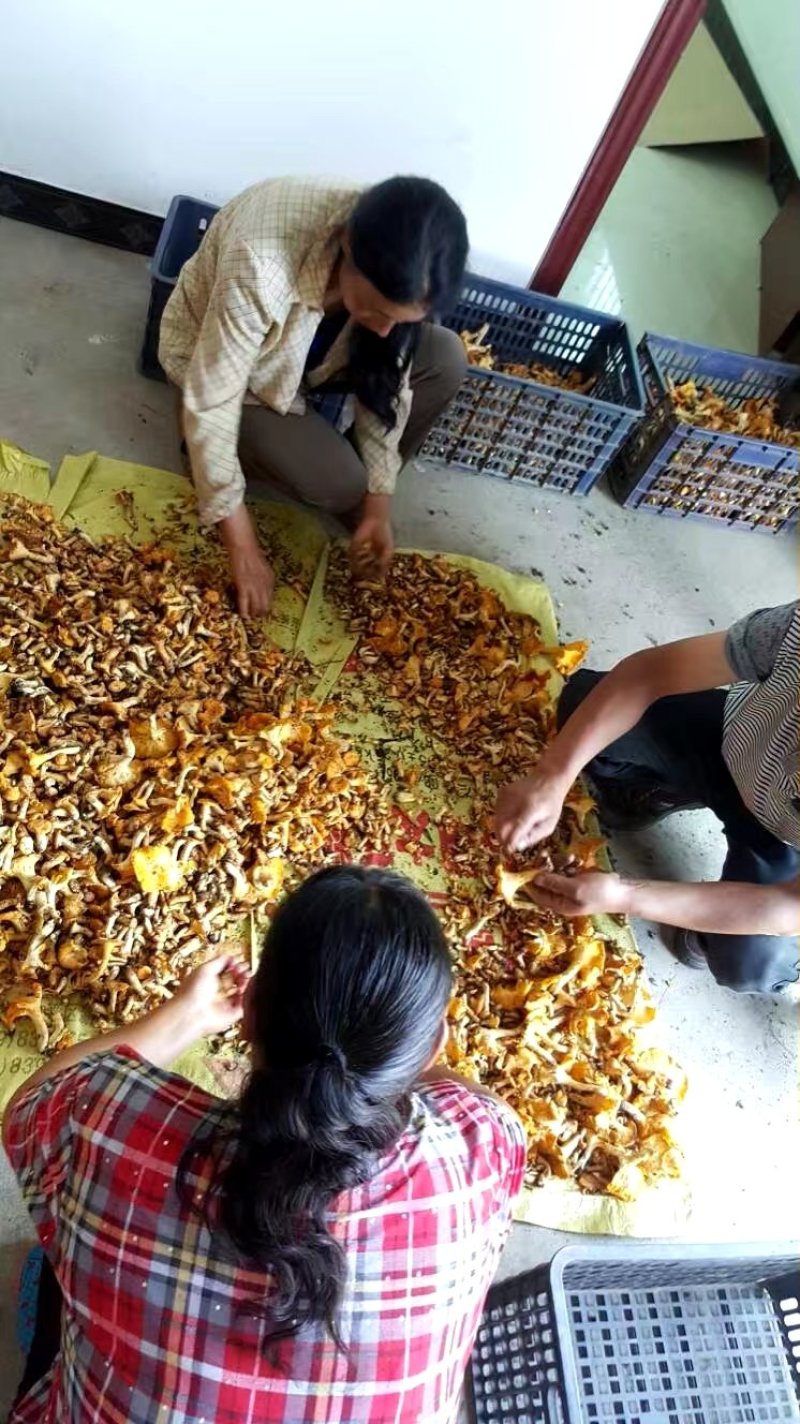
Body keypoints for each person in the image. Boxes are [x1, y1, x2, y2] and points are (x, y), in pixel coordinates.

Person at [3, 866, 525, 1424]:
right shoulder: (483, 1149)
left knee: (69, 1243)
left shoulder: (102, 1125)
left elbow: (36, 1101)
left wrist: (188, 1014)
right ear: (430, 1051)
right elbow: (463, 1095)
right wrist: (380, 1064)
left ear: (249, 1013)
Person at [159, 176, 469, 617]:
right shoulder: (260, 260)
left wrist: (379, 503)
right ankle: (206, 455)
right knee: (339, 483)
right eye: (378, 313)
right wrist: (242, 547)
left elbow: (389, 372)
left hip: (305, 360)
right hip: (229, 372)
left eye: (399, 320)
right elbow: (214, 397)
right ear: (348, 248)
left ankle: (345, 481)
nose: (384, 330)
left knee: (447, 357)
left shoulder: (401, 250)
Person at [495, 603, 800, 996]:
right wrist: (552, 775)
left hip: (784, 842)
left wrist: (628, 895)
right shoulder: (793, 632)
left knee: (749, 964)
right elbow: (646, 675)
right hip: (737, 745)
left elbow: (788, 907)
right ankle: (666, 791)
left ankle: (738, 936)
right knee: (585, 704)